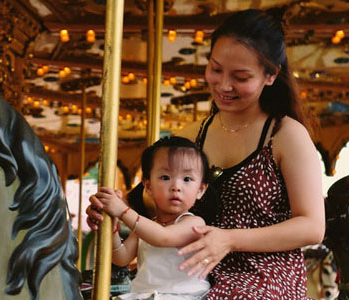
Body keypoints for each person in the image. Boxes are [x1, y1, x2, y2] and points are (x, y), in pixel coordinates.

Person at [87, 9, 325, 299]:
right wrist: (109, 211)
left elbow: (312, 226)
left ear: (271, 75)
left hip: (263, 277)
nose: (224, 85)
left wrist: (229, 240)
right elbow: (148, 203)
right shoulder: (191, 136)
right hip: (190, 275)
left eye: (240, 77)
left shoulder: (285, 135)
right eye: (215, 68)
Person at [91, 136, 211, 300]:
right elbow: (121, 258)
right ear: (148, 186)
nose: (176, 187)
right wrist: (112, 230)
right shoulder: (147, 226)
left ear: (201, 190)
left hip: (183, 295)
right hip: (147, 294)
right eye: (165, 177)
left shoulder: (193, 223)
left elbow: (163, 237)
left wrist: (123, 211)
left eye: (187, 179)